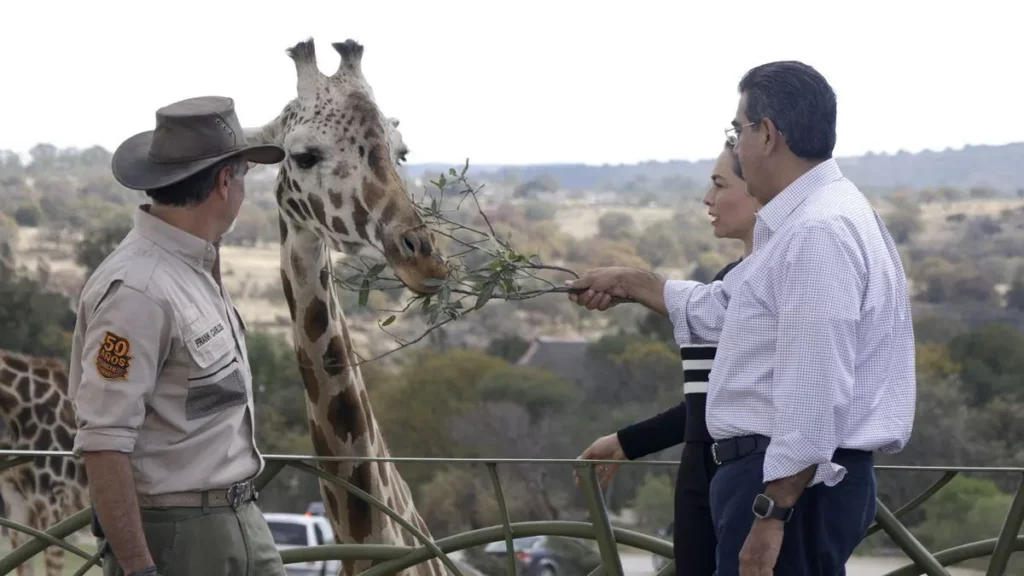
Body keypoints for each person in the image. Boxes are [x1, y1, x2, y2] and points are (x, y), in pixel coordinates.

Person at [568, 61, 916, 576]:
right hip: (783, 483)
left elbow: (815, 386)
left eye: (738, 128)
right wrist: (633, 284)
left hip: (788, 490)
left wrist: (772, 513)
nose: (737, 139)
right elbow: (726, 311)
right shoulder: (806, 219)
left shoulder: (818, 231)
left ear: (768, 134)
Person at [68, 96, 288, 576]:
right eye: (244, 176)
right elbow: (104, 440)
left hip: (239, 520)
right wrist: (139, 567)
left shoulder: (191, 266)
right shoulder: (140, 290)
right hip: (181, 538)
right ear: (224, 182)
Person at [576, 141, 758, 576]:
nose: (707, 199)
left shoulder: (764, 285)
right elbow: (709, 401)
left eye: (719, 184)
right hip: (702, 473)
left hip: (742, 475)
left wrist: (630, 284)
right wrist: (627, 442)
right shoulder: (729, 280)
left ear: (759, 189)